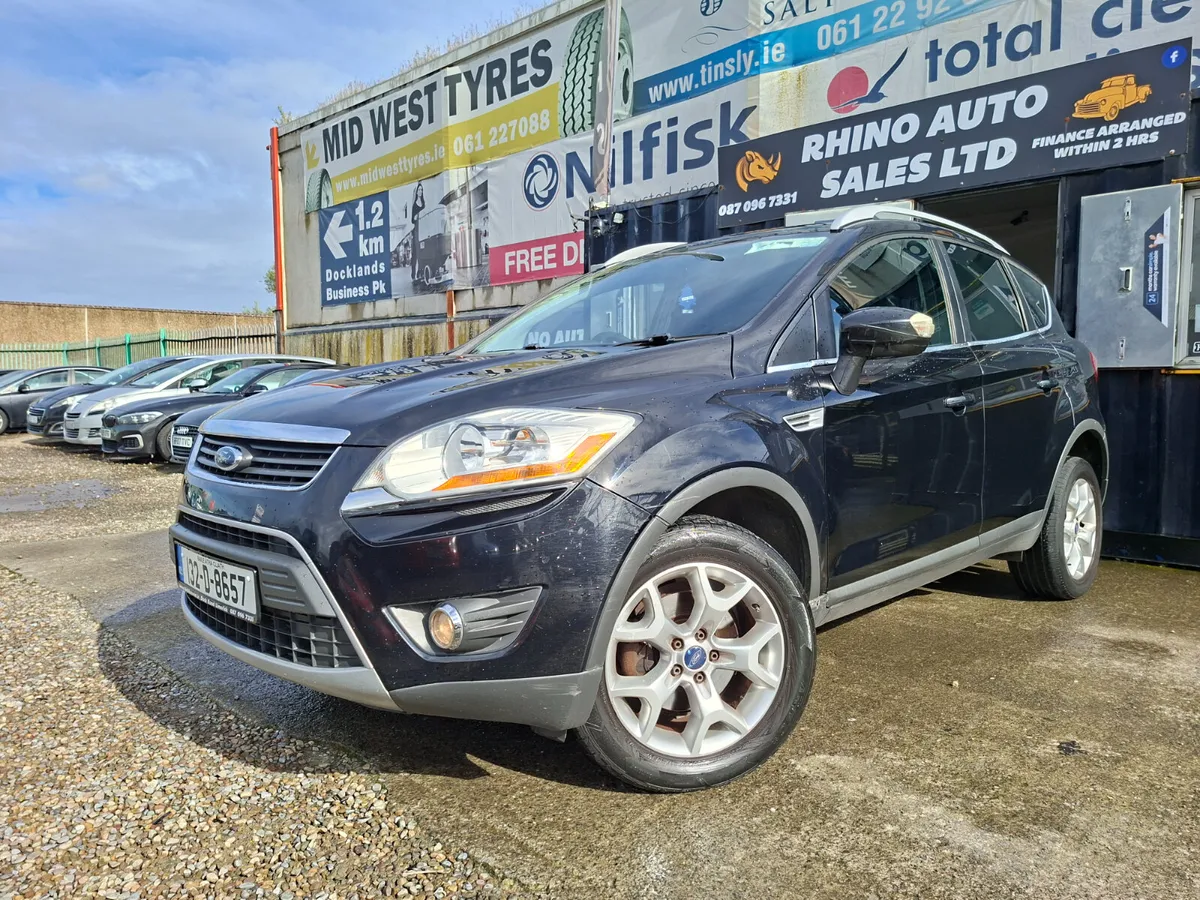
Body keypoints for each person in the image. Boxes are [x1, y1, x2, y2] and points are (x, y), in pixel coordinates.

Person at [410, 182, 426, 285]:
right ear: (416, 191)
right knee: (415, 252)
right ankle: (413, 273)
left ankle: (420, 271)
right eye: (419, 190)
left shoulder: (423, 202)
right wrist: (416, 217)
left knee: (421, 250)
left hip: (423, 228)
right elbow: (412, 219)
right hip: (416, 229)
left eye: (421, 190)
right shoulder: (414, 204)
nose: (420, 192)